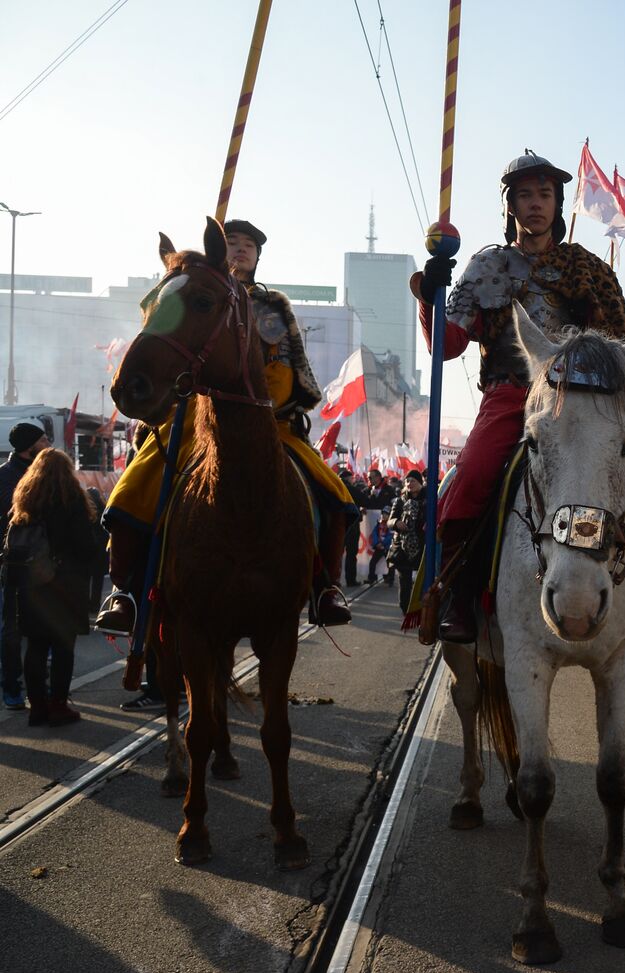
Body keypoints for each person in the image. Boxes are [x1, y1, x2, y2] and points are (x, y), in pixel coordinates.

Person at [410, 150, 625, 643]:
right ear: (510, 205)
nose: (535, 204)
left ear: (557, 202)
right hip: (512, 396)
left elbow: (619, 344)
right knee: (470, 478)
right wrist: (431, 298)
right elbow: (447, 346)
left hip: (586, 399)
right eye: (525, 195)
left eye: (545, 195)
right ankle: (457, 594)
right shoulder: (487, 266)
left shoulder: (588, 269)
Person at [96, 219, 358, 635]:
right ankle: (125, 590)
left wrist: (260, 405)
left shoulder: (272, 310)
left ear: (257, 257)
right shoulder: (191, 292)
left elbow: (285, 373)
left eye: (248, 245)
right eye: (231, 242)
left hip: (269, 421)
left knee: (333, 492)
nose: (239, 249)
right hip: (192, 417)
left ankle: (325, 586)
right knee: (135, 484)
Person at [3, 449, 98, 726]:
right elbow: (85, 547)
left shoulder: (26, 500)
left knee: (35, 646)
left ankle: (37, 706)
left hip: (31, 585)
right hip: (65, 585)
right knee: (63, 647)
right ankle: (58, 705)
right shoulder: (72, 500)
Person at [1, 422, 50, 710]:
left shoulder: (44, 475)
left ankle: (38, 686)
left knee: (41, 630)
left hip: (43, 565)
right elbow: (14, 511)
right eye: (44, 440)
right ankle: (11, 687)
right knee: (11, 633)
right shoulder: (6, 477)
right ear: (29, 447)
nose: (48, 444)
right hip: (14, 566)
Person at [387, 470, 426, 614]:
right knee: (404, 582)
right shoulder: (399, 500)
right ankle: (405, 610)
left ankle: (421, 611)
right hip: (402, 548)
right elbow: (389, 521)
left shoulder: (429, 499)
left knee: (422, 582)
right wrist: (396, 522)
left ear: (420, 483)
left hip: (422, 547)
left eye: (413, 481)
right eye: (407, 481)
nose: (409, 484)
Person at [367, 513, 392, 585]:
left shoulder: (390, 525)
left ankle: (390, 579)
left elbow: (390, 536)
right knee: (372, 562)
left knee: (390, 564)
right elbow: (374, 534)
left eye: (386, 514)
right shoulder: (378, 524)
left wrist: (382, 543)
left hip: (387, 548)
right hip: (379, 548)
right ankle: (372, 578)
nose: (384, 515)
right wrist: (377, 543)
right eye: (383, 513)